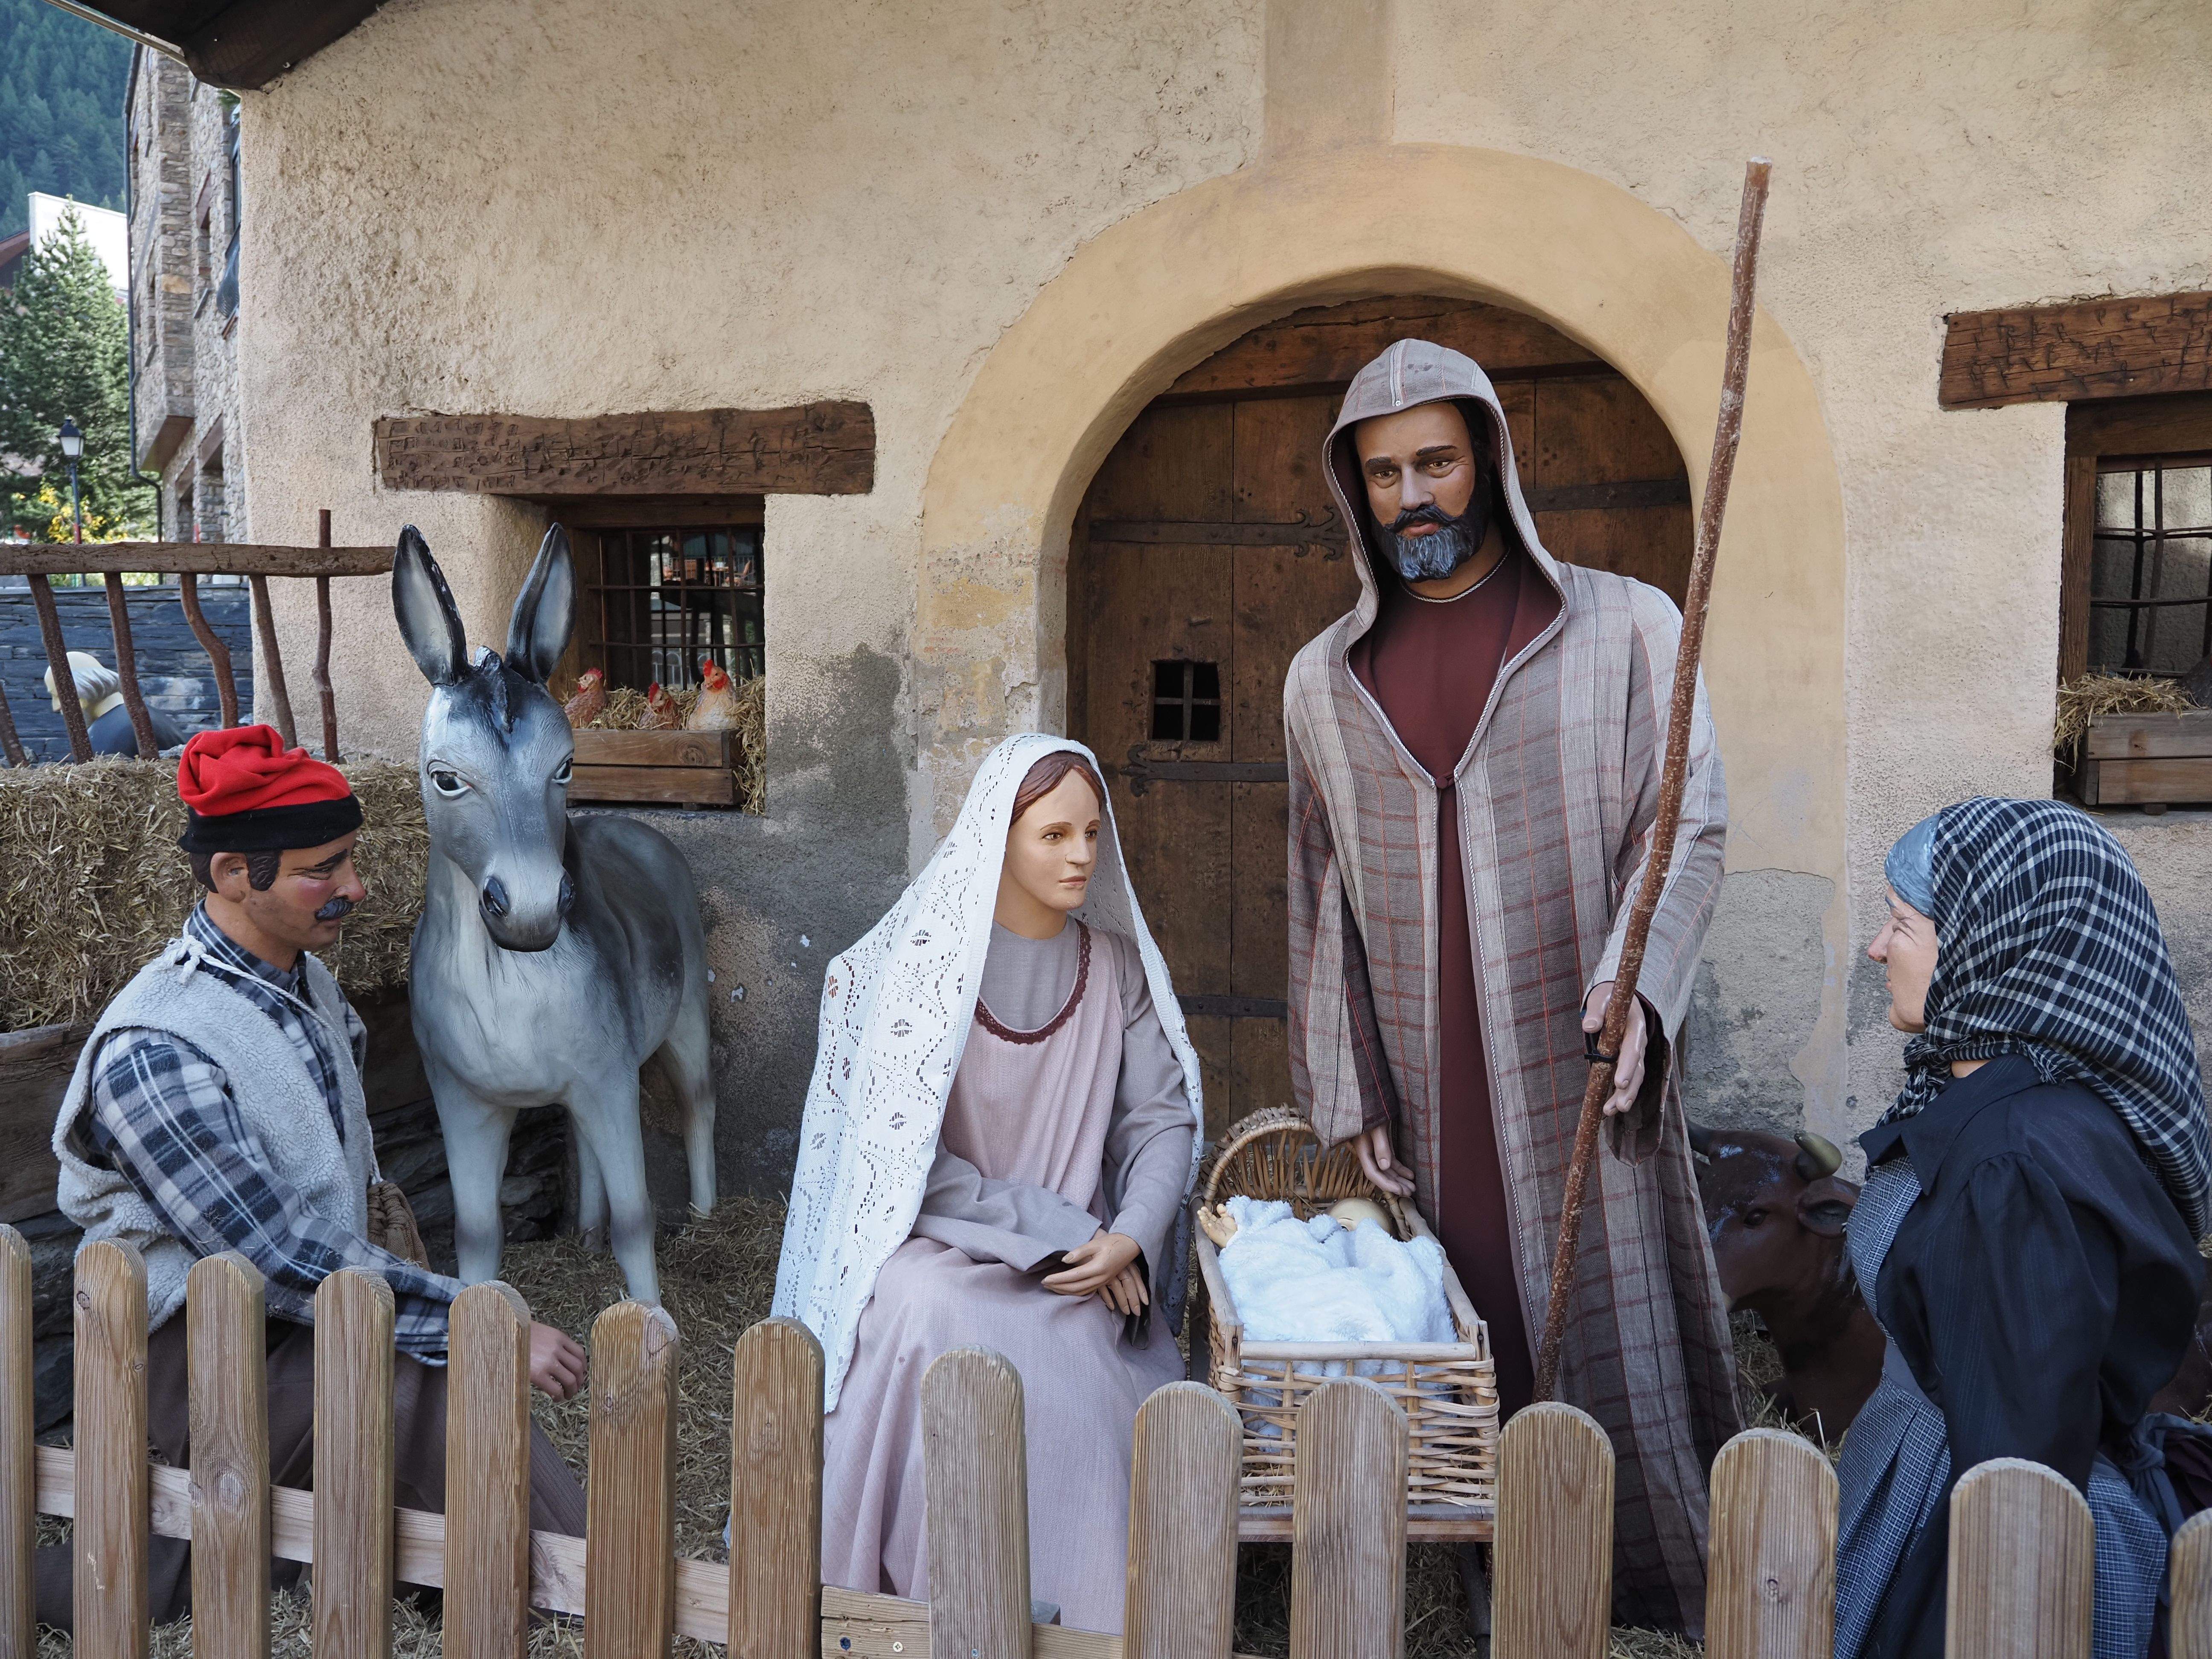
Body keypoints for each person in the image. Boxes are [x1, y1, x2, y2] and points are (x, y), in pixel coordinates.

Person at [1282, 337, 1734, 1629]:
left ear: (1486, 457)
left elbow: (1682, 826)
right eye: (1384, 473)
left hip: (1574, 1059)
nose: (1413, 494)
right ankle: (1488, 1581)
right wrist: (1351, 1089)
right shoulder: (1321, 680)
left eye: (1435, 461)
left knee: (1597, 1315)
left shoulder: (1628, 627)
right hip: (1425, 1079)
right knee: (1462, 1306)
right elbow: (1318, 889)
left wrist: (1635, 988)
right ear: (1355, 490)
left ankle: (1633, 1580)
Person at [38, 725, 589, 1628]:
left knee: (398, 1409)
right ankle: (592, 1611)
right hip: (204, 1373)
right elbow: (275, 1251)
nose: (355, 887)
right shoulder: (157, 1049)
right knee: (430, 1385)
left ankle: (524, 1594)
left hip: (301, 1335)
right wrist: (475, 1325)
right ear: (231, 874)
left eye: (352, 860)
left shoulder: (302, 984)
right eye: (321, 869)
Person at [776, 733, 1199, 1635]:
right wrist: (1060, 1230)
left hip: (1081, 1270)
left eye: (1091, 833)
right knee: (926, 1308)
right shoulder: (924, 972)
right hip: (947, 1249)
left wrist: (1129, 1234)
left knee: (1088, 1365)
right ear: (996, 838)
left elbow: (1160, 1120)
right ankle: (930, 1612)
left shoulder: (1115, 969)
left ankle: (1086, 1630)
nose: (1081, 855)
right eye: (1053, 834)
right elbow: (908, 1164)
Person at [1834, 797, 2209, 1659]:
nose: (1877, 948)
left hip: (1968, 1552)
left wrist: (1939, 1622)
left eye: (1902, 923)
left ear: (1993, 945)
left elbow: (2016, 1468)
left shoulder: (2013, 1164)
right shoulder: (2017, 1107)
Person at [44, 649, 187, 756]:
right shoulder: (148, 716)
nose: (56, 707)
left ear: (80, 688)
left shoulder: (111, 733)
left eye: (57, 696)